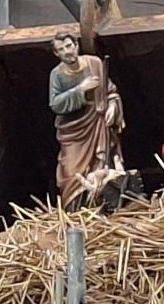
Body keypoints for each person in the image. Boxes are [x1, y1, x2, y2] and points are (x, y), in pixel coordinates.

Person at [48, 33, 124, 206]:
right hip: (74, 130)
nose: (67, 51)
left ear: (76, 45)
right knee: (71, 171)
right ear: (56, 54)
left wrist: (112, 106)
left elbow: (110, 91)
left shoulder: (95, 63)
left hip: (98, 122)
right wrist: (80, 90)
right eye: (61, 49)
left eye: (69, 46)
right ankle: (75, 209)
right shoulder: (57, 75)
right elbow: (55, 104)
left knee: (102, 164)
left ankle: (103, 204)